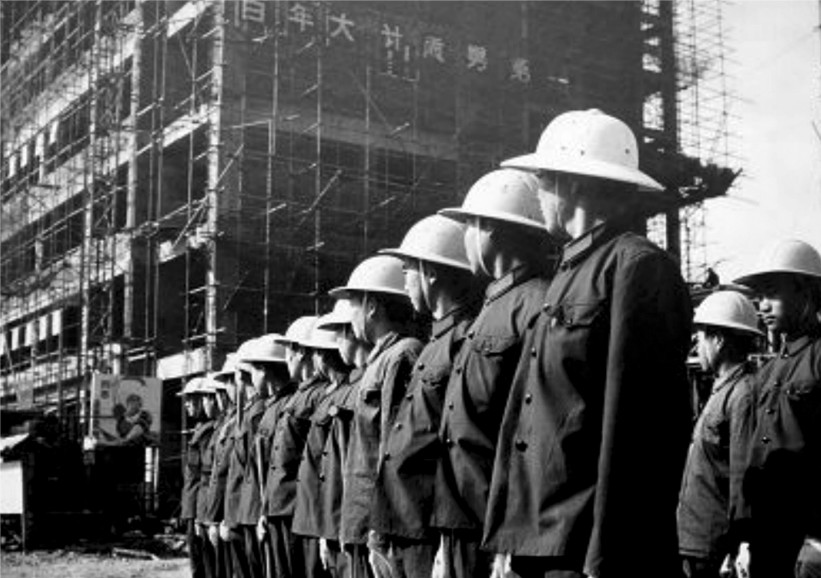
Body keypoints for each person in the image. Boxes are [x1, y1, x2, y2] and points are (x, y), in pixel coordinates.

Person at [484, 109, 693, 578]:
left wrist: (606, 556)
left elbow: (638, 430)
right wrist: (509, 539)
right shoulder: (570, 272)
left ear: (574, 183)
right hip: (545, 541)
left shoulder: (636, 267)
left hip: (590, 550)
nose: (537, 193)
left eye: (543, 179)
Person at [432, 169, 552, 578]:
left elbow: (534, 429)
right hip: (462, 517)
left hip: (496, 524)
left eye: (470, 225)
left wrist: (512, 534)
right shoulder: (494, 304)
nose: (464, 237)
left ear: (491, 231)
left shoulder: (536, 304)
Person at [368, 215, 480, 578]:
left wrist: (447, 539)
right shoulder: (435, 343)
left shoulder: (464, 339)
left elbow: (458, 447)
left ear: (430, 272)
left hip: (431, 528)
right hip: (406, 524)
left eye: (407, 270)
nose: (404, 282)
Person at [728, 239, 821, 578]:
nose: (762, 305)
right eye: (758, 296)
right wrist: (743, 538)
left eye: (771, 293)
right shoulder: (767, 372)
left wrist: (817, 538)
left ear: (805, 291)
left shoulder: (818, 357)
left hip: (806, 534)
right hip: (767, 531)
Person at [329, 255, 423, 578]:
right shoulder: (381, 360)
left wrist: (379, 532)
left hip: (378, 527)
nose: (350, 315)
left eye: (353, 303)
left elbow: (391, 450)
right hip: (364, 524)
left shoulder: (402, 355)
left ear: (372, 306)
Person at [676, 291, 763, 578]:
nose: (696, 344)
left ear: (719, 340)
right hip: (696, 541)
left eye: (701, 336)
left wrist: (739, 543)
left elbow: (743, 476)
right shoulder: (722, 391)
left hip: (715, 547)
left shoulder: (742, 395)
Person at [257, 317, 321, 578]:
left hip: (298, 510)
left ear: (301, 351)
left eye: (289, 351)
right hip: (281, 508)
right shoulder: (297, 397)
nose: (287, 359)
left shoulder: (317, 395)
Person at [292, 318, 356, 578]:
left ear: (324, 356)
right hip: (319, 517)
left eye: (316, 352)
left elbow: (336, 465)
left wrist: (329, 526)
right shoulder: (330, 394)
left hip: (332, 518)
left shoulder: (343, 393)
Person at [315, 300, 372, 578]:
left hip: (363, 525)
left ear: (353, 332)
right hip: (347, 523)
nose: (336, 342)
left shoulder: (364, 384)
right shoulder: (350, 389)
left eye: (339, 333)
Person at [204, 355, 240, 578]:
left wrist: (218, 517)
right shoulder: (228, 423)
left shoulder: (239, 421)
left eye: (228, 383)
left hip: (236, 514)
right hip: (227, 512)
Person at [180, 376, 218, 578]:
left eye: (191, 400)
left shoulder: (209, 431)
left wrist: (197, 514)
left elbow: (205, 476)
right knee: (197, 562)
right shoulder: (200, 430)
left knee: (204, 563)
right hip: (193, 505)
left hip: (200, 507)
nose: (187, 404)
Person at [196, 378, 223, 578]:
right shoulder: (212, 429)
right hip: (206, 505)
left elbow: (214, 475)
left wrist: (211, 517)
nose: (204, 403)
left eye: (207, 398)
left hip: (216, 508)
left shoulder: (219, 429)